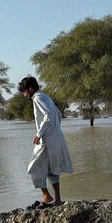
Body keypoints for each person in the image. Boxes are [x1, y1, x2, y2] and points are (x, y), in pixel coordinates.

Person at [19, 76, 73, 208]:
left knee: (32, 168)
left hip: (47, 140)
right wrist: (54, 129)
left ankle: (46, 195)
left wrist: (39, 134)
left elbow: (48, 115)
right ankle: (58, 200)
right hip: (56, 137)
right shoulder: (46, 97)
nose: (24, 95)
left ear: (30, 89)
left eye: (24, 92)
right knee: (52, 169)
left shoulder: (37, 98)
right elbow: (58, 115)